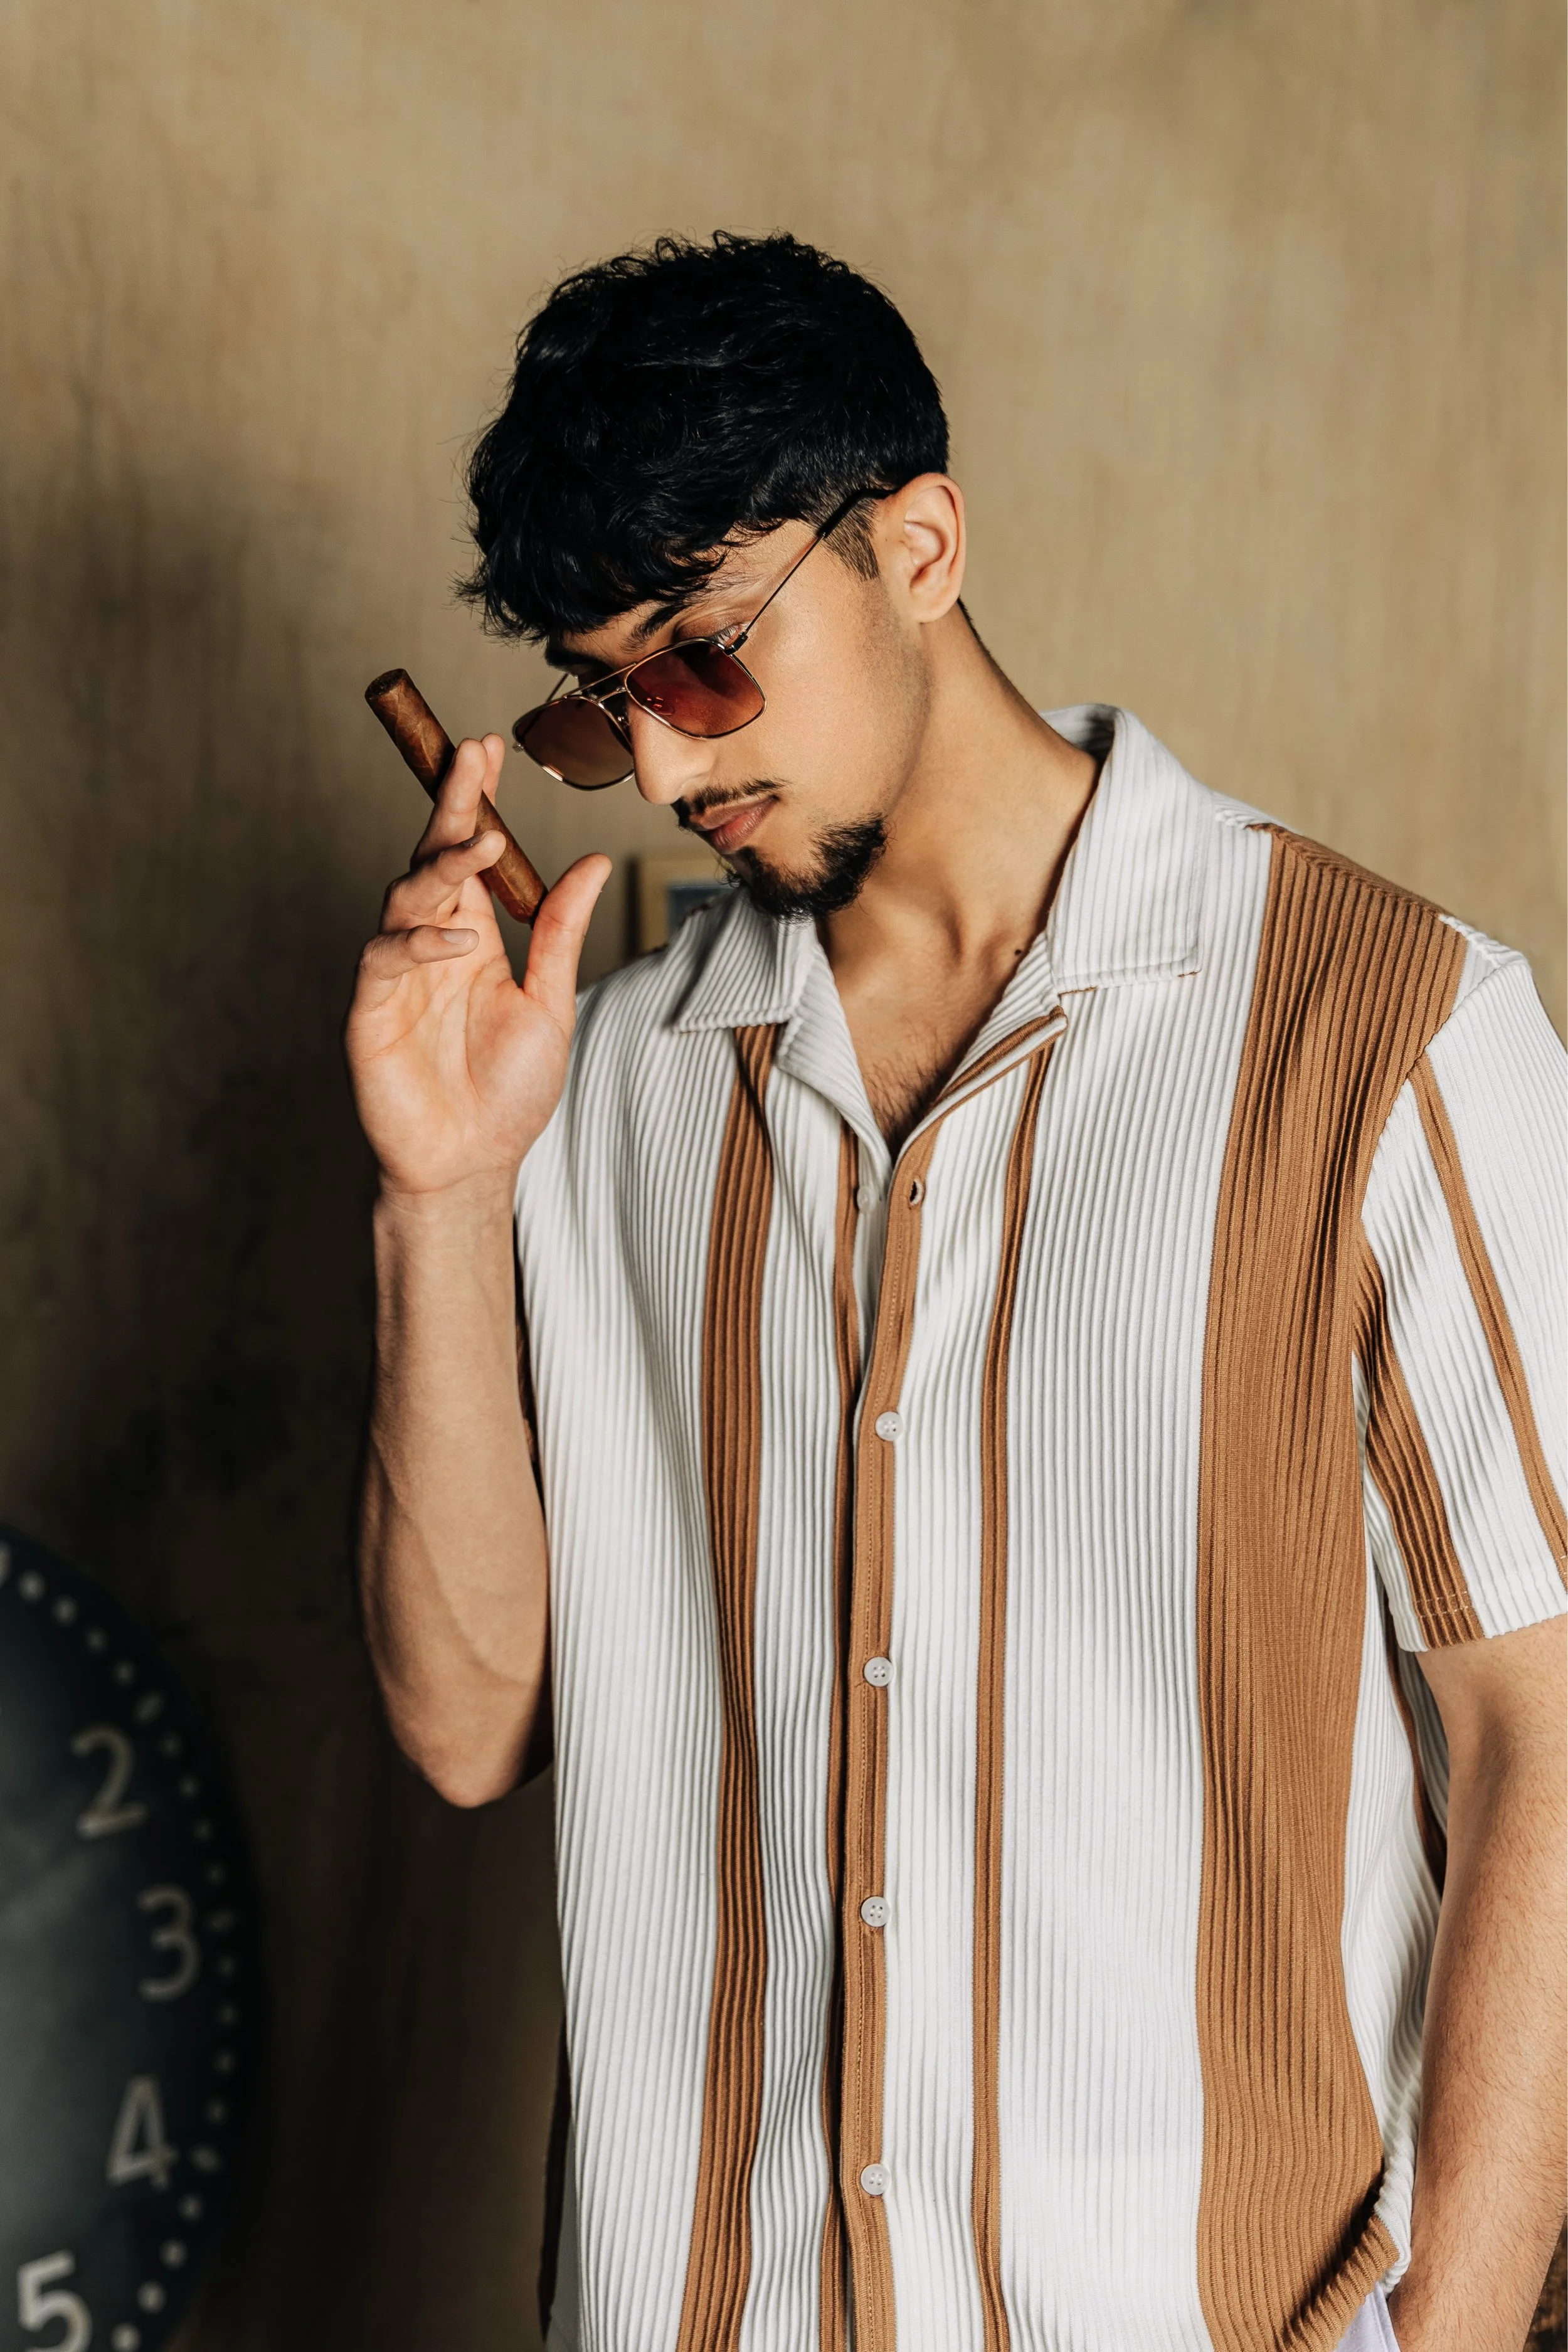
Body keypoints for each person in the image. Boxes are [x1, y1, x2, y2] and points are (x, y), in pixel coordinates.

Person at [346, 233, 1565, 2352]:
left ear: (917, 542)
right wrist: (438, 1196)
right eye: (598, 700)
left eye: (708, 661)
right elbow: (469, 1726)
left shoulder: (1385, 1033)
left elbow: (1546, 1740)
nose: (661, 772)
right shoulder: (607, 1092)